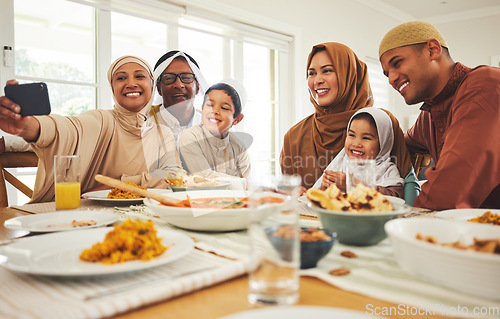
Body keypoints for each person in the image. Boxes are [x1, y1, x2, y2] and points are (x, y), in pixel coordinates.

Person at [0, 55, 181, 203]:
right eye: (121, 78)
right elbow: (67, 129)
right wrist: (27, 125)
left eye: (139, 76)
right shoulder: (101, 120)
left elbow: (174, 177)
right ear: (112, 87)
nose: (131, 83)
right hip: (83, 217)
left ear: (152, 85)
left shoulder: (162, 133)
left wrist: (118, 184)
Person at [379, 21, 500, 209]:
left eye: (397, 63)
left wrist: (407, 224)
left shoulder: (487, 84)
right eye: (387, 73)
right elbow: (397, 147)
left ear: (432, 50)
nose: (391, 79)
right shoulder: (428, 115)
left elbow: (453, 185)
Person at [280, 42, 417, 204]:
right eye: (311, 73)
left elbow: (407, 187)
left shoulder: (381, 122)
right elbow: (285, 191)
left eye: (327, 71)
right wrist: (292, 193)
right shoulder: (294, 136)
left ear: (349, 75)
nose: (317, 80)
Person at [312, 108, 404, 198]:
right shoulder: (340, 163)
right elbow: (319, 198)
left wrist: (353, 185)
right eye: (352, 135)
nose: (356, 144)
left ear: (383, 143)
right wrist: (324, 188)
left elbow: (395, 198)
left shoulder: (387, 169)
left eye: (366, 138)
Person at [178, 81, 251, 179]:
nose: (215, 111)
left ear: (237, 119)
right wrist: (238, 183)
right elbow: (205, 177)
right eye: (210, 105)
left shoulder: (239, 148)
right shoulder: (190, 138)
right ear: (202, 108)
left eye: (224, 108)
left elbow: (245, 187)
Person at [149, 50, 208, 142]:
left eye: (186, 78)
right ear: (158, 88)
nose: (179, 85)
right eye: (168, 78)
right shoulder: (143, 122)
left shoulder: (211, 126)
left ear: (197, 87)